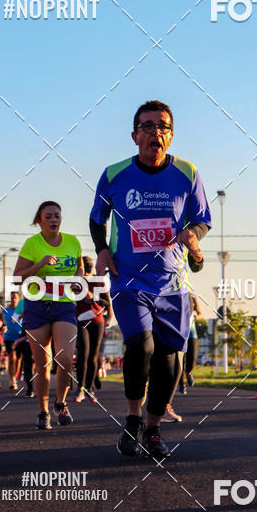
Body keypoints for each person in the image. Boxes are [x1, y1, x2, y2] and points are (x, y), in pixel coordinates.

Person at [90, 100, 210, 459]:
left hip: (171, 280)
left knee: (169, 357)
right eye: (147, 126)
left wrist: (194, 238)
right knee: (141, 346)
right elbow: (97, 218)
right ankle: (132, 418)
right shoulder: (114, 175)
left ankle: (154, 427)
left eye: (162, 126)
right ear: (134, 135)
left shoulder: (187, 173)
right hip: (128, 279)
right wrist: (102, 249)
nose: (155, 131)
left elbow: (201, 219)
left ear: (170, 136)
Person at [13, 201, 83, 430]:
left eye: (57, 216)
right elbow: (17, 277)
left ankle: (60, 403)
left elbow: (79, 268)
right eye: (48, 216)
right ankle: (43, 411)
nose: (53, 220)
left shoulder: (72, 241)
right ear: (39, 221)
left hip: (64, 304)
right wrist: (40, 264)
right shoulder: (32, 245)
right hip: (37, 305)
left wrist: (77, 280)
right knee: (42, 363)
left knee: (65, 358)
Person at [74, 256, 111, 403]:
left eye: (89, 269)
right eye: (85, 268)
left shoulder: (98, 281)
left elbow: (107, 303)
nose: (87, 272)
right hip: (81, 321)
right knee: (83, 353)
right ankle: (80, 388)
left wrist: (94, 298)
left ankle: (89, 388)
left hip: (97, 322)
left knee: (93, 356)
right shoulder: (76, 281)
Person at [179, 293, 202, 395]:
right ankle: (181, 385)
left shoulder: (192, 297)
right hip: (178, 332)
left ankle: (188, 372)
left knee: (192, 358)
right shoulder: (175, 295)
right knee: (179, 361)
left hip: (192, 333)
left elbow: (201, 314)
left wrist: (195, 317)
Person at [2, 291, 23, 391]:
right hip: (9, 337)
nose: (13, 299)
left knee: (18, 359)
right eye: (11, 298)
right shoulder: (5, 311)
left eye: (15, 297)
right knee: (12, 358)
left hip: (20, 337)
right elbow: (1, 322)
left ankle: (14, 378)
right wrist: (3, 327)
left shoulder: (22, 309)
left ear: (18, 299)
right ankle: (12, 379)